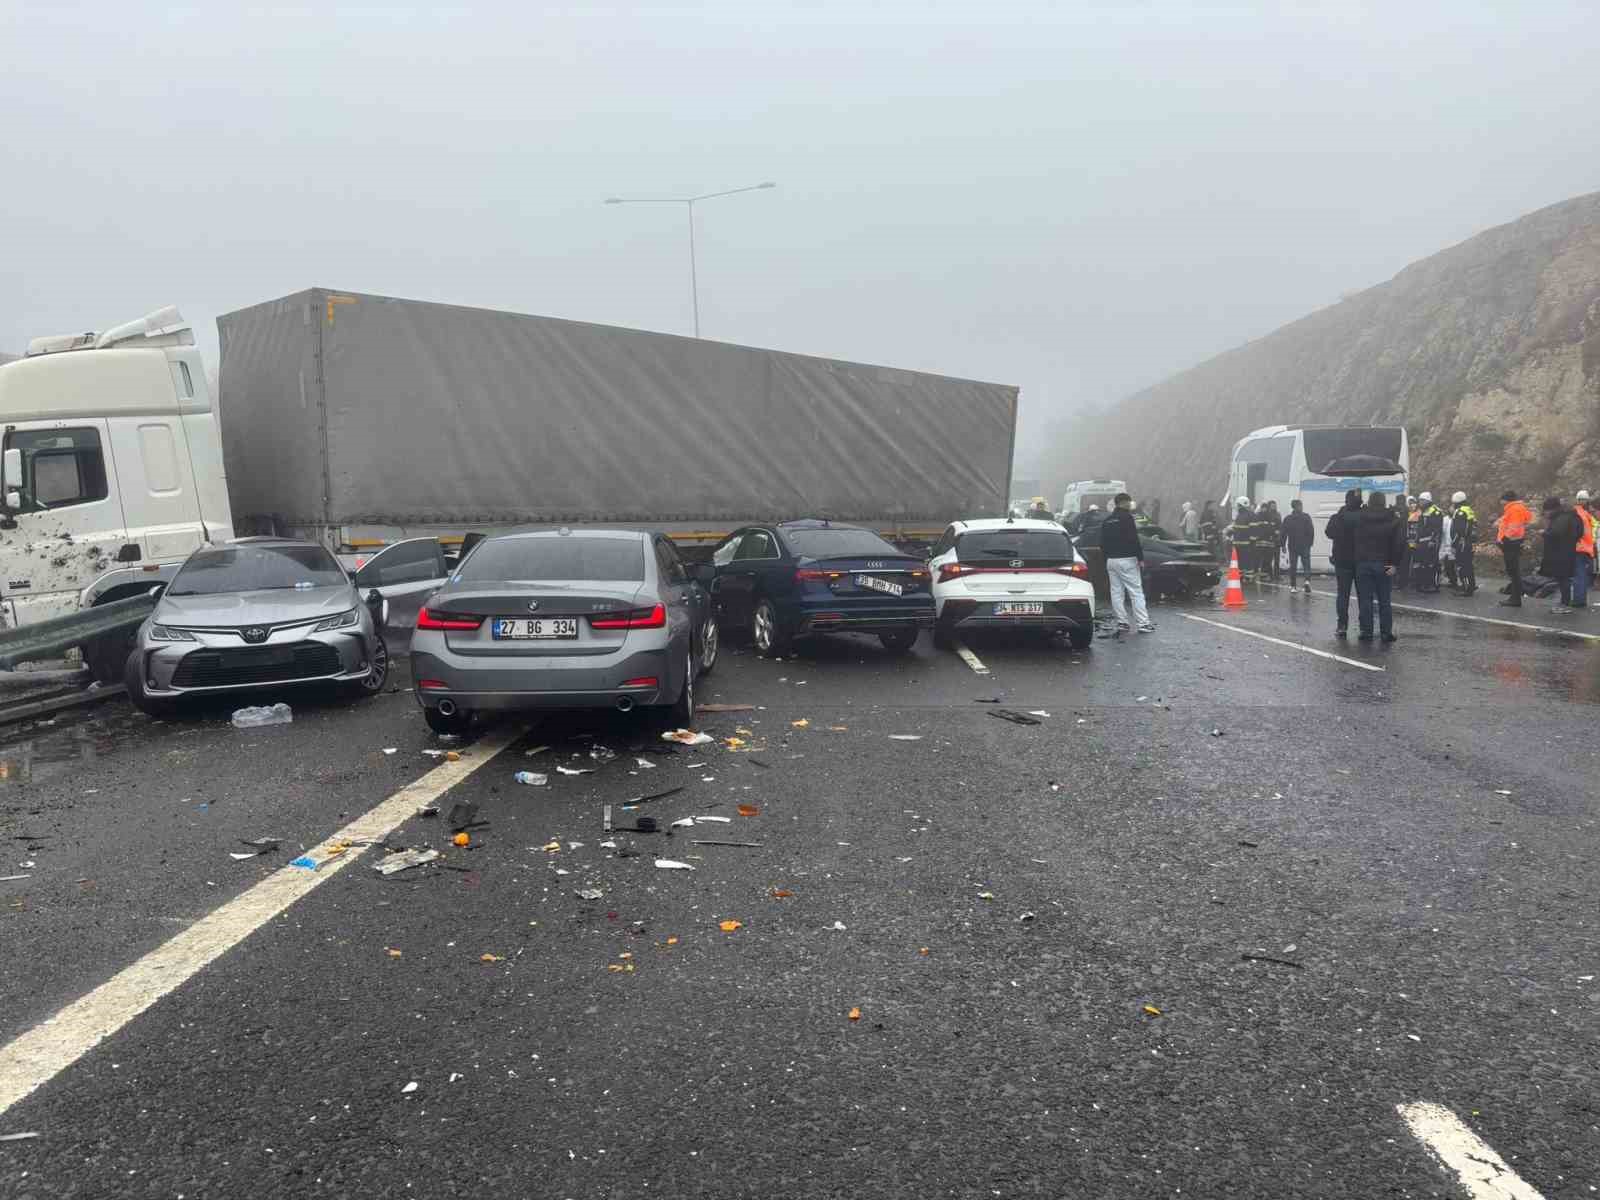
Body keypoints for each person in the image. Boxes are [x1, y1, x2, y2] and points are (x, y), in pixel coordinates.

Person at [1099, 492, 1154, 634]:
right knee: (1136, 591)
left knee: (1116, 592)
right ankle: (1143, 623)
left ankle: (1122, 623)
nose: (1130, 504)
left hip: (1111, 561)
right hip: (1127, 559)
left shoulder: (1107, 520)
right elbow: (1133, 539)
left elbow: (1102, 543)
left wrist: (1107, 559)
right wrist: (1140, 558)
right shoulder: (1127, 518)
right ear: (1123, 503)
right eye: (1128, 502)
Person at [1353, 491, 1405, 642]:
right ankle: (1385, 632)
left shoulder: (1360, 517)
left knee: (1365, 600)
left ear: (1369, 502)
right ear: (1383, 502)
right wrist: (1395, 563)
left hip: (1363, 563)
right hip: (1385, 563)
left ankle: (1366, 631)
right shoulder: (1392, 518)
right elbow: (1399, 543)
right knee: (1384, 600)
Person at [1324, 489, 1363, 637]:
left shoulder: (1339, 517)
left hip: (1342, 561)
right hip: (1360, 560)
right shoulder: (1364, 516)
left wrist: (1340, 514)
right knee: (1363, 595)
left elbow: (1329, 533)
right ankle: (1364, 626)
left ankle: (1342, 625)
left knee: (1343, 595)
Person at [1539, 497, 1581, 614]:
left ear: (1552, 509)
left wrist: (1544, 533)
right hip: (1568, 551)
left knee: (1563, 578)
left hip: (1561, 553)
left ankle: (1564, 604)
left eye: (1546, 510)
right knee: (1564, 578)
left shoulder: (1561, 518)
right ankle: (1564, 603)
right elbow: (1579, 533)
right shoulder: (1571, 516)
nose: (1545, 513)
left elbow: (1556, 533)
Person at [1496, 491, 1534, 607]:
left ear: (1506, 499)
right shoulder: (1516, 508)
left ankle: (1515, 598)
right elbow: (1527, 519)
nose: (1500, 501)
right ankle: (1515, 595)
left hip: (1511, 543)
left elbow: (1514, 527)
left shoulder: (1514, 509)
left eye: (1501, 499)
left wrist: (1505, 539)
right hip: (1514, 542)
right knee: (1513, 570)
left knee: (1513, 571)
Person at [1444, 491, 1478, 595]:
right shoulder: (1469, 510)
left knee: (1462, 566)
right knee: (1468, 565)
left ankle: (1466, 588)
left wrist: (1454, 544)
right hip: (1469, 542)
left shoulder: (1459, 512)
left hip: (1462, 543)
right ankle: (1471, 585)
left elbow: (1458, 531)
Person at [1281, 499, 1315, 593]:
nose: (1301, 507)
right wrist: (1310, 543)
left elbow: (1283, 533)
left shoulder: (1288, 518)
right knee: (1306, 565)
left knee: (1293, 566)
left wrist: (1283, 545)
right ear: (1298, 506)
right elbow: (1311, 531)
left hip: (1293, 546)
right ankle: (1307, 581)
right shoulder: (1306, 517)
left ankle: (1293, 586)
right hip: (1305, 545)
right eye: (1301, 505)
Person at [1412, 492, 1444, 593]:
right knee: (1422, 564)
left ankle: (1433, 585)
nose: (1420, 502)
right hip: (1422, 541)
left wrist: (1433, 540)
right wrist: (1417, 540)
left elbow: (1437, 528)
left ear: (1427, 501)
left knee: (1432, 564)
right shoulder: (1423, 510)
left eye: (1422, 500)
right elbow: (1420, 527)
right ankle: (1424, 583)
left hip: (1430, 541)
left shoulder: (1435, 511)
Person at [1572, 489, 1597, 610]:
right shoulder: (1587, 515)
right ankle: (1581, 599)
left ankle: (1578, 600)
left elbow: (1575, 531)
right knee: (1583, 575)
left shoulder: (1576, 512)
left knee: (1578, 574)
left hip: (1579, 547)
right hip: (1588, 548)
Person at [1396, 495, 1419, 590]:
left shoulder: (1417, 513)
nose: (1412, 505)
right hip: (1405, 542)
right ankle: (1402, 583)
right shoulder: (1404, 513)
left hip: (1415, 541)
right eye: (1410, 503)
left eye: (1413, 503)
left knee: (1415, 563)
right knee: (1404, 563)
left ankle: (1414, 582)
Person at [1228, 498, 1255, 577]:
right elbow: (1238, 528)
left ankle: (1247, 577)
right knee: (1243, 562)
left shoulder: (1244, 515)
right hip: (1241, 544)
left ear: (1240, 505)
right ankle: (1243, 577)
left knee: (1245, 562)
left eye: (1238, 505)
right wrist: (1230, 532)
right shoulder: (1242, 515)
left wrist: (1252, 542)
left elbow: (1253, 530)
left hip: (1243, 544)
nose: (1237, 507)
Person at [1262, 500, 1283, 581]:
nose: (1274, 507)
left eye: (1275, 505)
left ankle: (1277, 575)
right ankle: (1270, 575)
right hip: (1270, 540)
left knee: (1277, 559)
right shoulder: (1267, 515)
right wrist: (1273, 531)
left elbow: (1280, 526)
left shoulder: (1278, 514)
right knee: (1269, 559)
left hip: (1277, 540)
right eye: (1272, 505)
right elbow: (1267, 527)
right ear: (1269, 506)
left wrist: (1280, 533)